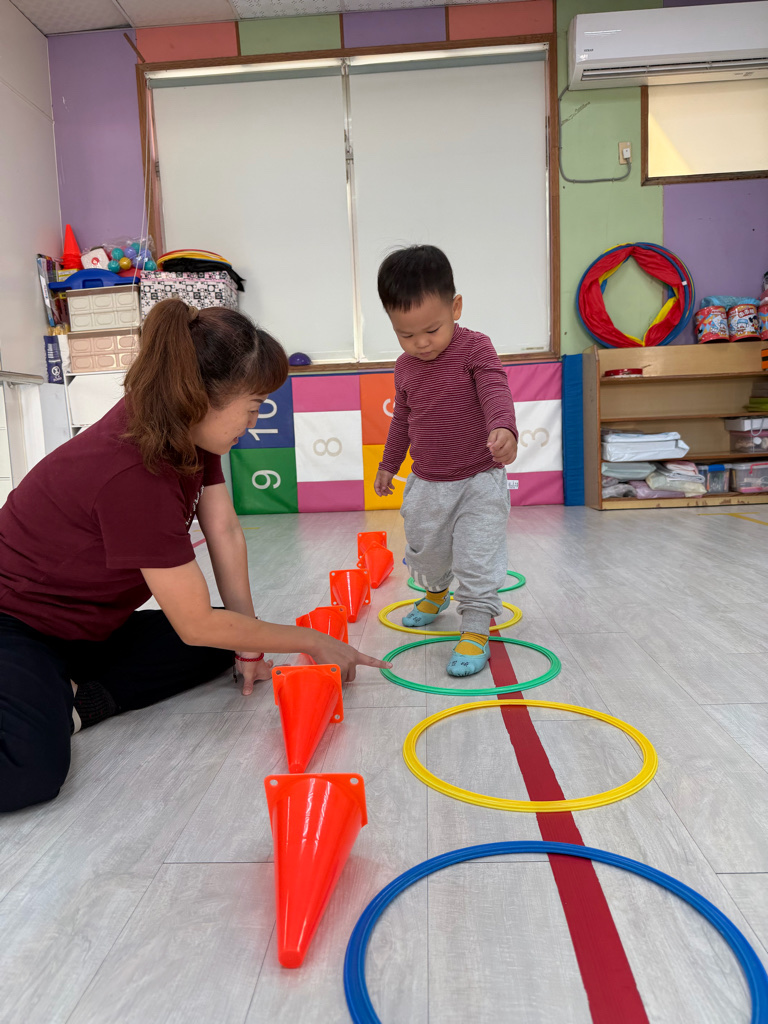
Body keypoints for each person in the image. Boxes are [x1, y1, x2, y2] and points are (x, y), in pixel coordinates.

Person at [0, 299, 387, 813]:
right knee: (29, 772)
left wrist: (250, 650)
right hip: (17, 626)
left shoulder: (185, 428)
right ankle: (47, 696)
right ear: (202, 398)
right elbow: (196, 623)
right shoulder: (132, 472)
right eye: (253, 407)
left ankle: (75, 701)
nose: (253, 423)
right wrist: (312, 640)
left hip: (87, 628)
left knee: (225, 641)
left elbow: (223, 530)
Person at [374, 245, 518, 678]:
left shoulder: (475, 348)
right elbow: (403, 418)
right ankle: (436, 592)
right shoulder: (405, 367)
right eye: (405, 334)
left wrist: (504, 427)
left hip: (479, 479)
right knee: (428, 553)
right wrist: (388, 463)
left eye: (432, 329)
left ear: (455, 308)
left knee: (476, 557)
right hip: (427, 483)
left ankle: (475, 627)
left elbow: (494, 388)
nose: (420, 343)